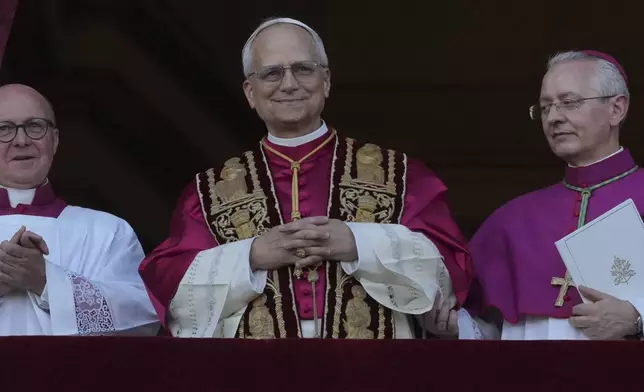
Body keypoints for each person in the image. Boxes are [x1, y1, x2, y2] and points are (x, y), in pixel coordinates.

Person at [139, 17, 479, 338]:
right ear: (250, 92)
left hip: (373, 370)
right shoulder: (208, 192)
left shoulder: (401, 175)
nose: (289, 84)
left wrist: (359, 243)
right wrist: (251, 256)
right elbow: (171, 289)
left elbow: (450, 270)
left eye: (303, 69)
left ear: (326, 81)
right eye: (272, 73)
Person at [458, 50, 644, 340]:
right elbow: (491, 332)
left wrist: (638, 319)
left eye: (569, 103)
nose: (554, 117)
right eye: (545, 107)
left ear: (616, 109)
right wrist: (452, 326)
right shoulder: (513, 220)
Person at [0, 83, 159, 335]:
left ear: (55, 140)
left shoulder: (108, 231)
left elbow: (145, 319)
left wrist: (46, 281)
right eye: (4, 129)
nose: (21, 140)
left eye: (35, 127)